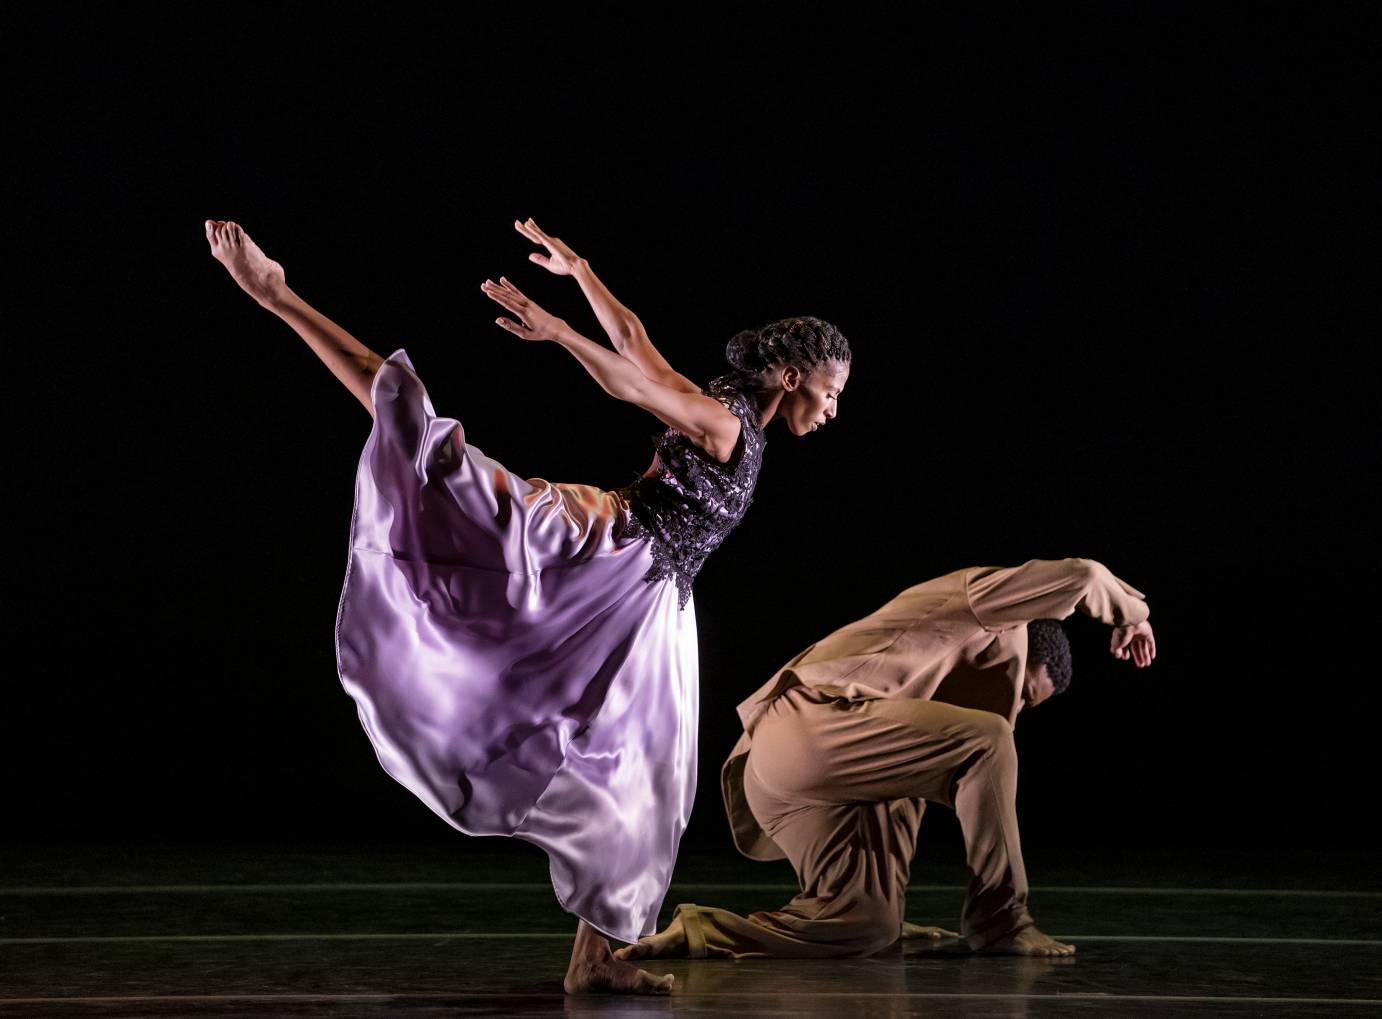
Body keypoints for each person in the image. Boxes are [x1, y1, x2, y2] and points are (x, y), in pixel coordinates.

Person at [203, 216, 851, 994]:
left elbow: (636, 337)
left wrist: (579, 267)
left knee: (651, 786)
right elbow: (628, 378)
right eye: (831, 391)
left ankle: (597, 956)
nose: (833, 407)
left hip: (651, 605)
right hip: (599, 548)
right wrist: (561, 333)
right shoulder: (723, 424)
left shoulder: (729, 412)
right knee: (429, 443)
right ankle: (278, 294)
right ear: (790, 375)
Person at [615, 557, 1155, 962]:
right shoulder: (990, 605)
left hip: (794, 777)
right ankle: (1002, 922)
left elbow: (907, 804)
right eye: (1023, 692)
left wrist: (891, 907)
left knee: (866, 926)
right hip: (810, 723)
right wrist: (1133, 615)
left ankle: (700, 932)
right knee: (989, 740)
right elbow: (1083, 575)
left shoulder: (915, 721)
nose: (1016, 706)